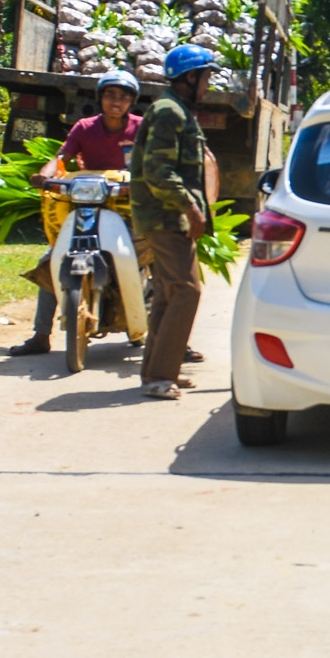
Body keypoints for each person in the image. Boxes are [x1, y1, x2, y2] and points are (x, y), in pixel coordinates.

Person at [8, 71, 144, 357]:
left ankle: (169, 334)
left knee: (152, 254)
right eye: (109, 95)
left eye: (122, 97)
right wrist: (44, 177)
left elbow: (153, 162)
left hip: (128, 204)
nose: (115, 102)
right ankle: (41, 335)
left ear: (132, 101)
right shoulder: (84, 127)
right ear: (100, 99)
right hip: (88, 202)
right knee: (51, 258)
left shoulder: (141, 128)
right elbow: (61, 158)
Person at [130, 45, 214, 400]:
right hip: (165, 216)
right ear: (189, 77)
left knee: (168, 292)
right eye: (206, 77)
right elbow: (158, 170)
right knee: (186, 290)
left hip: (169, 215)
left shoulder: (179, 110)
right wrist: (190, 209)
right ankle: (160, 377)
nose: (209, 84)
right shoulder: (169, 112)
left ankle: (158, 373)